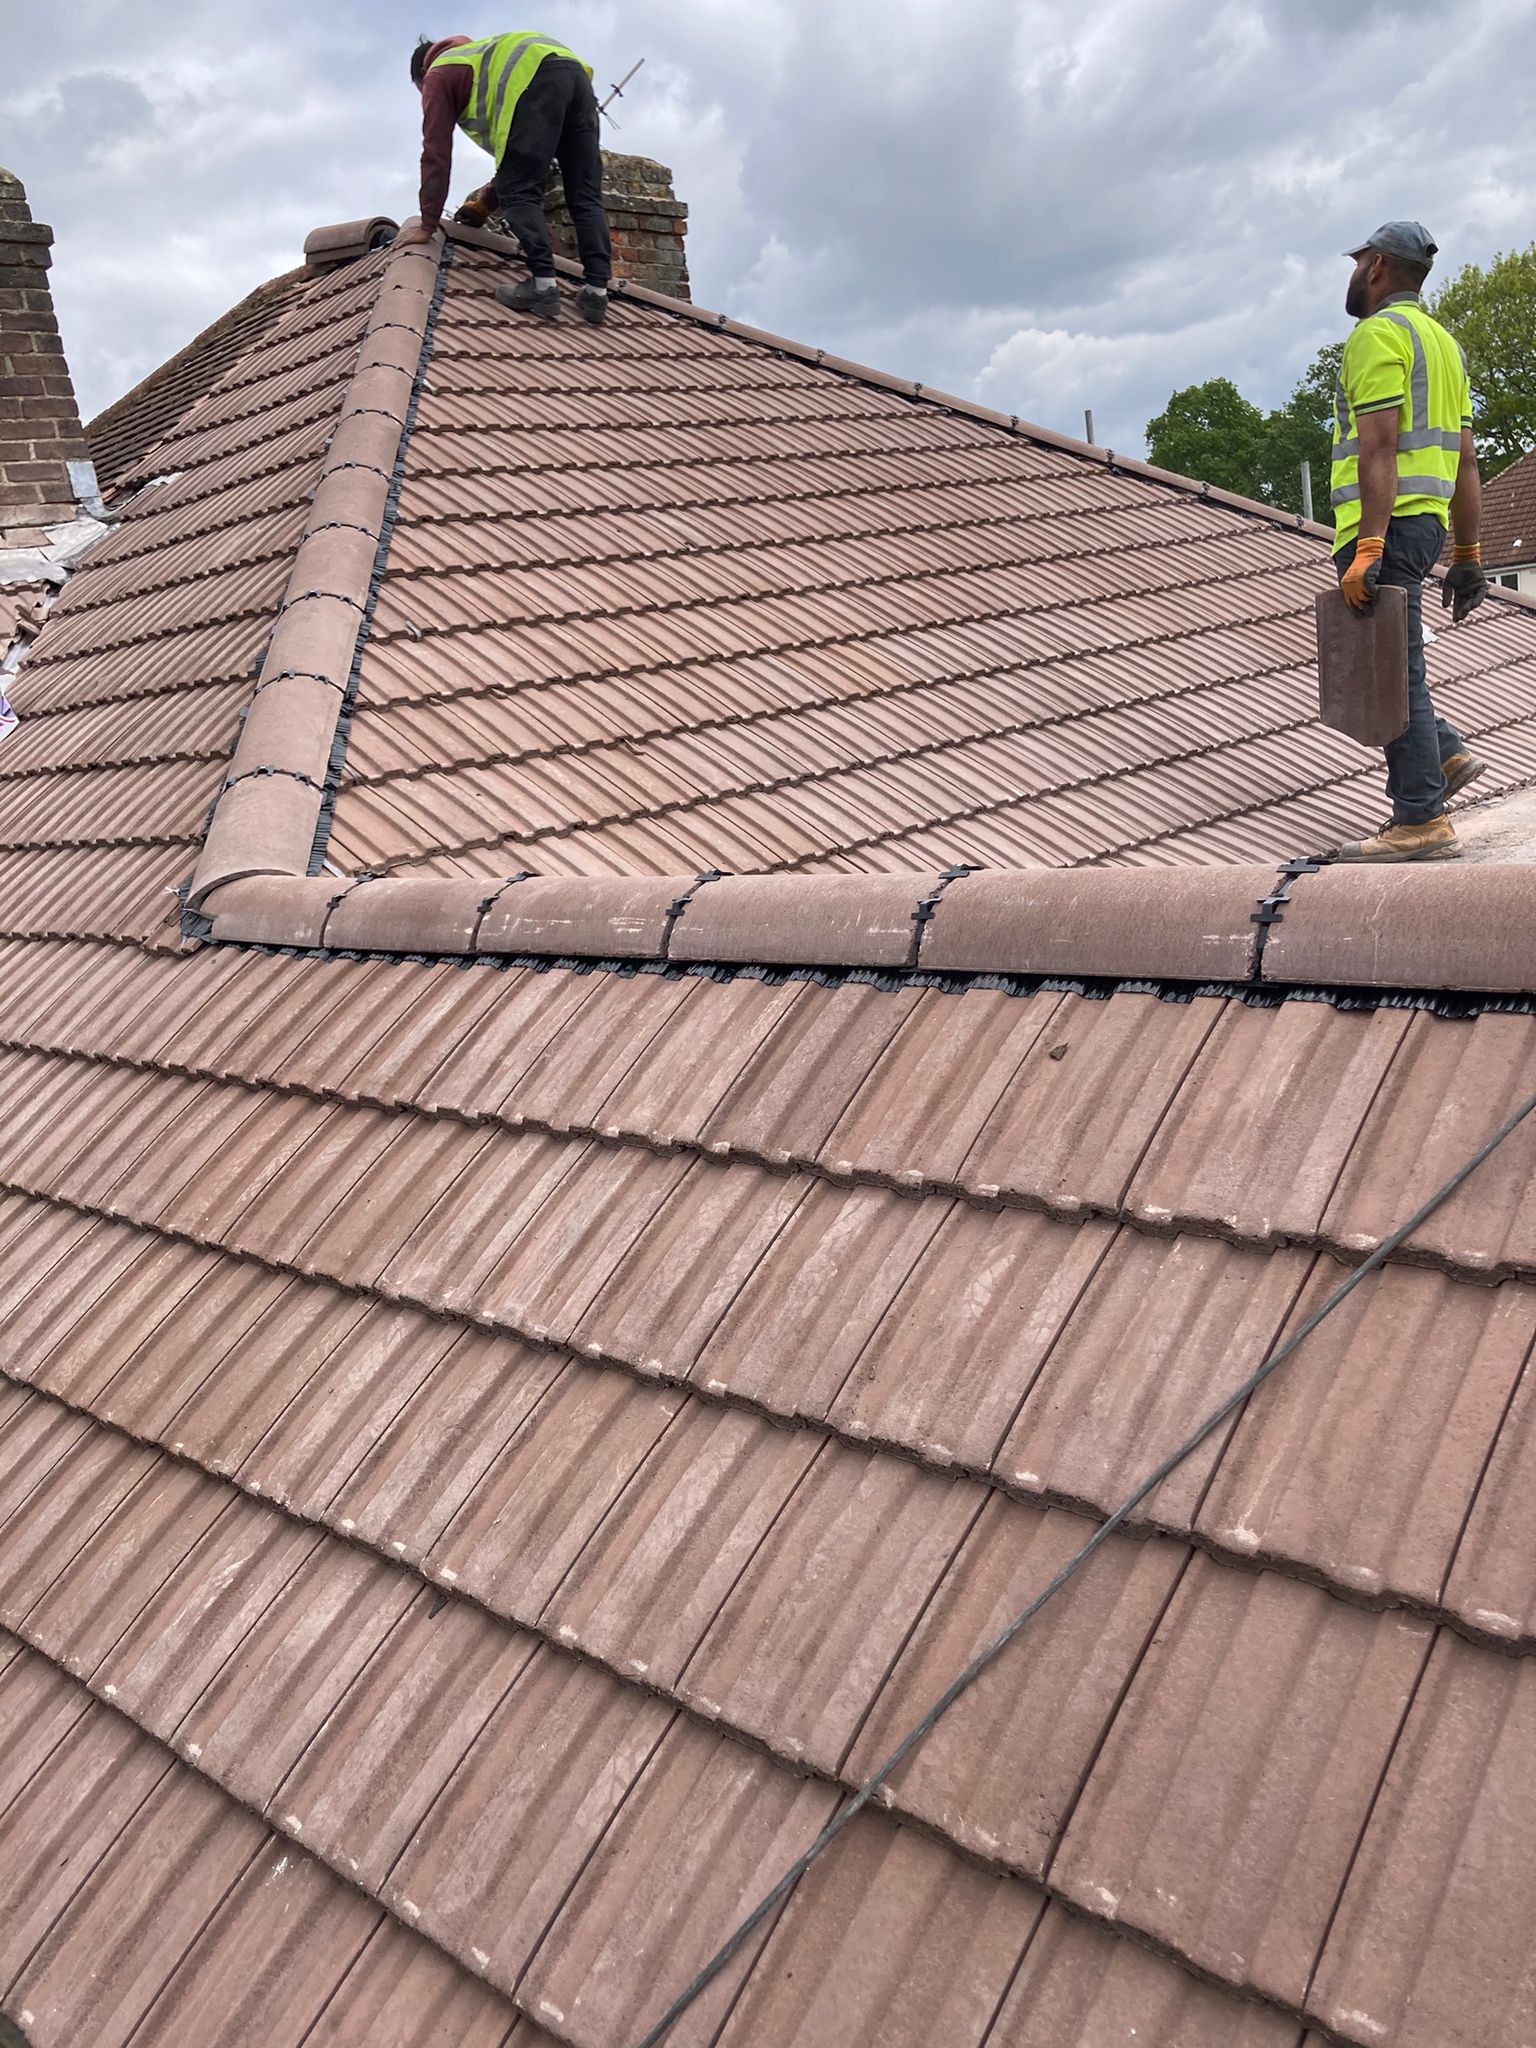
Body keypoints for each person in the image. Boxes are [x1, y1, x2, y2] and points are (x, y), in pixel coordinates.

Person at [1329, 221, 1490, 862]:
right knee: (1393, 661)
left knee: (1389, 668)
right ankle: (1443, 753)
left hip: (1384, 527)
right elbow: (1467, 459)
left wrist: (1368, 546)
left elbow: (1378, 446)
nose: (1352, 274)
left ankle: (1421, 817)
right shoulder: (1443, 345)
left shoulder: (1376, 335)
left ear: (1375, 266)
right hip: (1424, 526)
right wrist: (1468, 556)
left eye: (1356, 262)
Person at [396, 33, 612, 326]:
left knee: (520, 193)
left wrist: (427, 224)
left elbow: (436, 152)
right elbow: (521, 162)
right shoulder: (481, 59)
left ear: (422, 73)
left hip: (538, 79)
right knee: (585, 194)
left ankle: (543, 287)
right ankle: (596, 293)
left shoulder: (439, 74)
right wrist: (485, 205)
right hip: (575, 77)